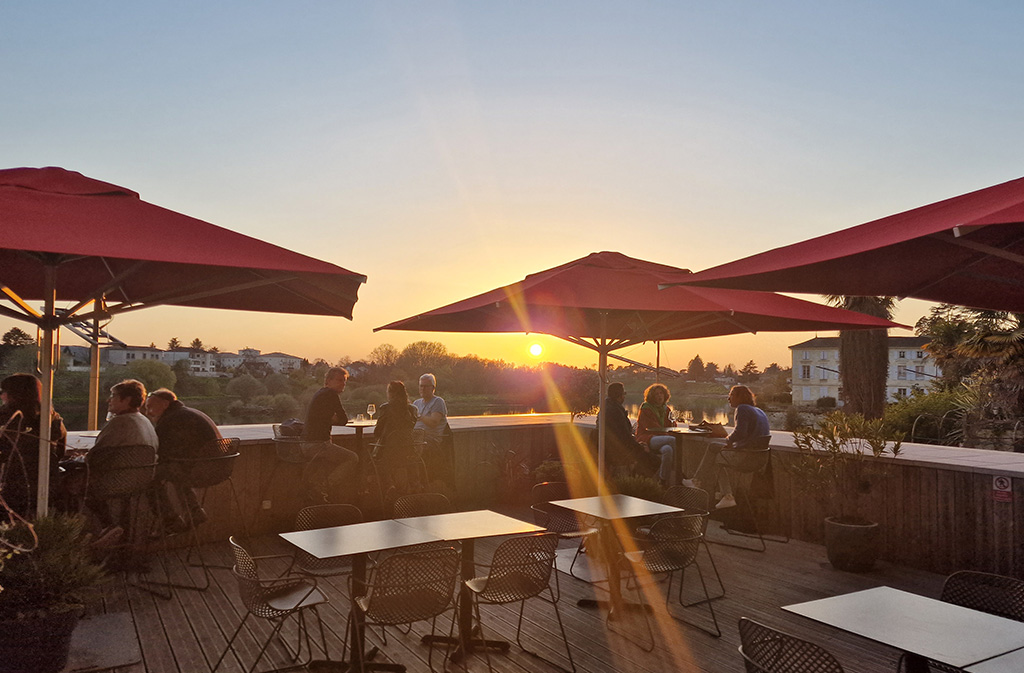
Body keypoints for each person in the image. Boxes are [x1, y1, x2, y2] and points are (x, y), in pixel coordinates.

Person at [144, 388, 222, 531]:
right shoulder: (188, 413)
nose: (147, 412)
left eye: (150, 407)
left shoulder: (171, 420)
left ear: (165, 404)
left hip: (201, 472)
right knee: (176, 470)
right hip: (219, 468)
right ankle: (194, 511)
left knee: (148, 477)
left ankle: (170, 520)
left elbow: (158, 451)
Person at [86, 379, 159, 530]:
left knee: (76, 485)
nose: (109, 400)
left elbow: (95, 458)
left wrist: (80, 457)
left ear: (126, 400)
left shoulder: (120, 422)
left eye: (113, 396)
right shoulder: (145, 421)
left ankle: (108, 528)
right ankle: (120, 530)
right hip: (142, 482)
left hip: (116, 482)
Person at [0, 373, 67, 517]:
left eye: (3, 392)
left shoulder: (5, 419)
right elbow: (60, 452)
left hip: (10, 485)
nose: (1, 396)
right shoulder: (53, 419)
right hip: (48, 483)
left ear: (13, 394)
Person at [695, 385, 771, 510]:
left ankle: (719, 491)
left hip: (746, 457)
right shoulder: (759, 411)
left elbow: (740, 432)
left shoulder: (742, 409)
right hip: (761, 459)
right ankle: (724, 495)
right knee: (717, 453)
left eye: (731, 395)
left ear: (739, 397)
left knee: (714, 450)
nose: (728, 398)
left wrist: (728, 440)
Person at [301, 367, 359, 503]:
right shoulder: (331, 394)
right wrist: (333, 418)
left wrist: (332, 418)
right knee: (352, 458)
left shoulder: (320, 393)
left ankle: (317, 491)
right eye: (339, 380)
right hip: (317, 445)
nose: (342, 384)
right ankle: (322, 488)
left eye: (344, 381)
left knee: (328, 462)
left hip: (305, 444)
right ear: (328, 381)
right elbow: (344, 419)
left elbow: (326, 417)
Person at [371, 380, 421, 495]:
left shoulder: (386, 408)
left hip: (389, 452)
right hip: (409, 452)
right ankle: (415, 486)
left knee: (374, 460)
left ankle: (388, 485)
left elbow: (377, 432)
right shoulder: (412, 409)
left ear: (390, 393)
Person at [595, 382, 654, 473]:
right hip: (617, 451)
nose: (624, 396)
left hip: (607, 448)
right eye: (624, 394)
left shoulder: (605, 407)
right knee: (653, 460)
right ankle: (637, 481)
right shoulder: (616, 411)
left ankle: (635, 479)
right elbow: (625, 437)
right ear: (619, 395)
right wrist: (640, 447)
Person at [634, 383, 677, 487]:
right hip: (647, 438)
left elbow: (673, 425)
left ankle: (662, 481)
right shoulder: (646, 408)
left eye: (661, 393)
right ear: (652, 397)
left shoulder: (666, 409)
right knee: (673, 440)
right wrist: (667, 432)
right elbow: (651, 427)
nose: (659, 396)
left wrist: (672, 423)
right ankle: (681, 474)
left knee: (668, 450)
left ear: (665, 395)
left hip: (662, 438)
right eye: (656, 394)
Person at [412, 373, 451, 484]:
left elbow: (434, 422)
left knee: (408, 451)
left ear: (433, 388)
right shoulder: (416, 403)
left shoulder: (438, 401)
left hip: (431, 441)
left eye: (426, 386)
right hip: (415, 438)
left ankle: (417, 483)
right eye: (421, 386)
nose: (423, 389)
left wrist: (419, 416)